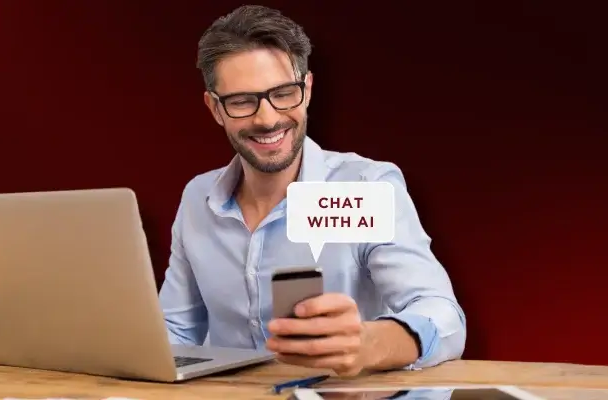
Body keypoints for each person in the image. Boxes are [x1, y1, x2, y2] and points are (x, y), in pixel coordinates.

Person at [157, 5, 466, 376]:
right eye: (241, 101)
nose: (267, 118)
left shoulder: (363, 187)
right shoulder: (197, 198)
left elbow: (443, 317)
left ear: (307, 90)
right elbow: (174, 334)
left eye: (283, 93)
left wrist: (370, 343)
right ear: (215, 109)